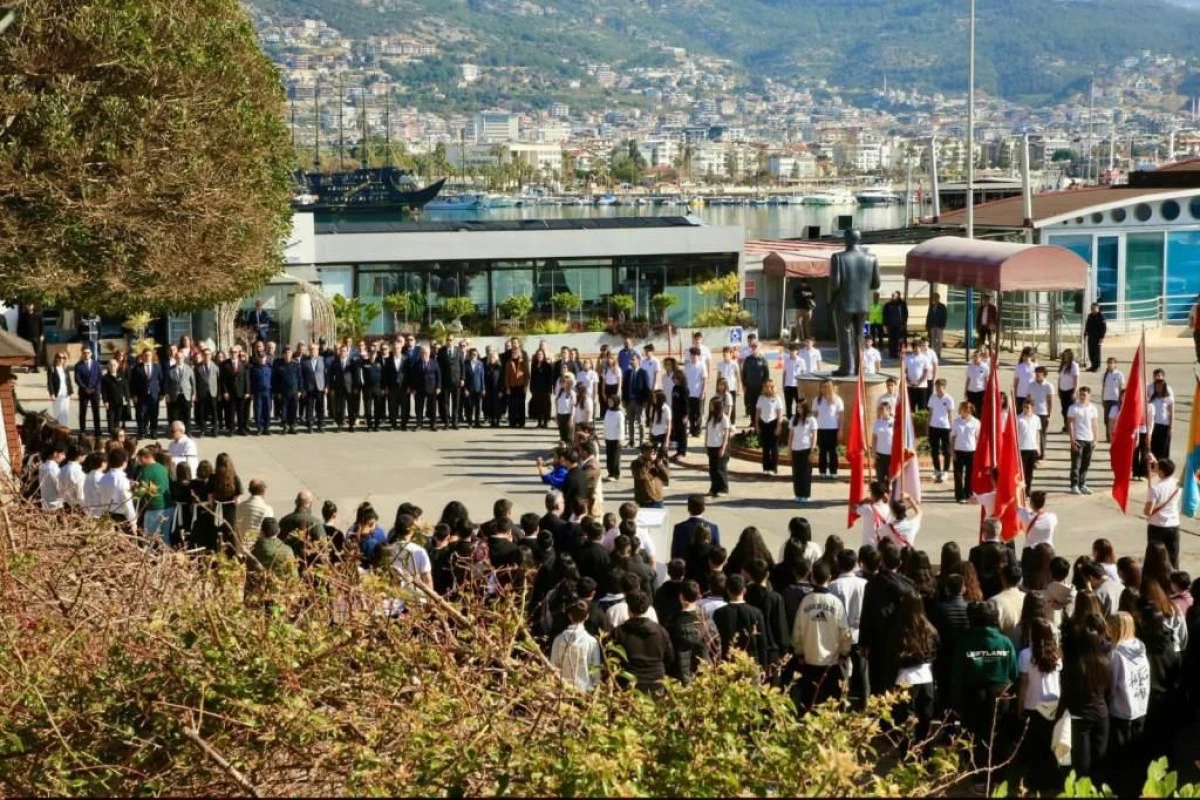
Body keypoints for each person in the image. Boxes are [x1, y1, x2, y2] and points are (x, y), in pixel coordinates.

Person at [951, 602, 1018, 780]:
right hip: (1001, 694)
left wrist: (956, 700)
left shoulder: (965, 642)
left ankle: (979, 778)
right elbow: (1014, 672)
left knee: (975, 736)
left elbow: (958, 673)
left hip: (973, 695)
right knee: (999, 734)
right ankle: (998, 776)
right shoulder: (1005, 642)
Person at [792, 559, 851, 711]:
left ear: (812, 577)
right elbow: (845, 632)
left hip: (810, 659)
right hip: (831, 661)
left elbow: (797, 631)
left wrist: (799, 652)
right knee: (830, 703)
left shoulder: (805, 602)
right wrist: (844, 653)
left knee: (811, 702)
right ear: (830, 577)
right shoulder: (836, 603)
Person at [1015, 615, 1062, 792]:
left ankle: (1035, 782)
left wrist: (1019, 706)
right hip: (1053, 702)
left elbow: (1024, 683)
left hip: (1034, 704)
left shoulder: (1026, 655)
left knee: (1036, 745)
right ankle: (1051, 780)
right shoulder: (1056, 654)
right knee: (1050, 744)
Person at [1107, 611, 1150, 797]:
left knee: (1121, 753)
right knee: (1137, 749)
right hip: (1140, 706)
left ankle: (1123, 788)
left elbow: (1113, 684)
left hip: (1121, 709)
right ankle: (1138, 784)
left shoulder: (1116, 654)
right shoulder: (1141, 649)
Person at [611, 591, 674, 693]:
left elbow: (613, 659)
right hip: (656, 681)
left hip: (629, 683)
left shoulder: (618, 632)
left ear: (628, 608)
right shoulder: (661, 631)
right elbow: (670, 657)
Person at [712, 574, 768, 666]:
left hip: (728, 661)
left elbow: (716, 641)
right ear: (744, 590)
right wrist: (764, 665)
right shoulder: (756, 612)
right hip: (751, 662)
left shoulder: (719, 613)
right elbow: (762, 642)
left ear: (728, 591)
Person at [550, 600, 603, 692]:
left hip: (562, 690)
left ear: (569, 616)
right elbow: (596, 672)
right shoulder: (591, 642)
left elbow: (553, 667)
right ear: (587, 616)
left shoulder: (558, 639)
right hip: (584, 689)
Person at [1144, 456, 1181, 568]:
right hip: (1173, 525)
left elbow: (1147, 512)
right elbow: (1162, 469)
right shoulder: (1178, 483)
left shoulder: (1156, 489)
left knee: (1155, 558)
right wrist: (1153, 460)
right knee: (1173, 557)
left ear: (1162, 472)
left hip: (1157, 526)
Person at [1067, 386, 1099, 495]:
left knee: (1086, 463)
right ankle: (1074, 485)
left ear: (1089, 395)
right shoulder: (1073, 408)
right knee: (1076, 463)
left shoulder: (1093, 408)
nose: (1082, 396)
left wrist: (1096, 439)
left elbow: (1094, 424)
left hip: (1089, 439)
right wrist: (1072, 440)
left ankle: (1082, 483)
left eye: (1085, 394)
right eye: (1081, 394)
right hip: (1078, 438)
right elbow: (1070, 424)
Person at [950, 401, 980, 504]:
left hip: (971, 451)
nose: (965, 411)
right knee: (958, 475)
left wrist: (977, 452)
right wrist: (952, 452)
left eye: (967, 409)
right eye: (963, 409)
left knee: (969, 474)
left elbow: (977, 438)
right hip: (959, 451)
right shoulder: (956, 422)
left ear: (970, 410)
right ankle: (959, 496)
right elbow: (953, 437)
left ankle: (968, 494)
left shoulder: (976, 422)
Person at [788, 398, 817, 504]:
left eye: (800, 406)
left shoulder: (811, 420)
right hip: (796, 448)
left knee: (806, 473)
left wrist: (812, 449)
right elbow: (791, 435)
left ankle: (806, 494)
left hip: (806, 448)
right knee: (797, 473)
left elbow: (814, 435)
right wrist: (789, 449)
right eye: (797, 406)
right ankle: (798, 494)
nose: (798, 408)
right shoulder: (793, 419)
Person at [925, 379, 954, 485]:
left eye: (939, 387)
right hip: (934, 426)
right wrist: (927, 427)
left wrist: (951, 429)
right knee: (934, 450)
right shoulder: (932, 397)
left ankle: (945, 471)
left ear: (944, 387)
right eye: (936, 387)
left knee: (946, 451)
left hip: (945, 427)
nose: (937, 389)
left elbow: (950, 415)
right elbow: (930, 413)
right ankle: (937, 470)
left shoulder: (949, 399)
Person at [129, 349, 162, 438]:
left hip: (154, 395)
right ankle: (141, 432)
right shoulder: (137, 368)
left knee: (154, 414)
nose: (147, 357)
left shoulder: (157, 366)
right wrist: (133, 395)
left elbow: (161, 380)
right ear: (142, 356)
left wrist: (162, 393)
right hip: (141, 395)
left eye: (149, 355)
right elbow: (132, 383)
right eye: (145, 355)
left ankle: (153, 431)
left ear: (152, 356)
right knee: (140, 414)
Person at [219, 347, 251, 436]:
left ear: (238, 353)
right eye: (232, 352)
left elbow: (246, 379)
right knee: (231, 412)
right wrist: (225, 392)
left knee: (241, 411)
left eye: (235, 352)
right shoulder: (225, 364)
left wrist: (247, 391)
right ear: (229, 353)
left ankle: (241, 429)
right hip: (230, 392)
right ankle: (231, 429)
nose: (233, 353)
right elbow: (222, 380)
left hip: (241, 392)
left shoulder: (244, 364)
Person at [814, 379, 843, 479]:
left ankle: (833, 471)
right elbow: (814, 415)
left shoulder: (837, 399)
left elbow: (841, 416)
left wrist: (840, 429)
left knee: (833, 452)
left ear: (830, 387)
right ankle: (822, 471)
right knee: (822, 451)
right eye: (822, 387)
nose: (824, 389)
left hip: (832, 429)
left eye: (826, 387)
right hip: (821, 429)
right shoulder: (817, 400)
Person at [704, 397, 732, 497]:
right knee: (712, 469)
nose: (710, 406)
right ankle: (714, 488)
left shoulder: (724, 418)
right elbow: (707, 431)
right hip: (711, 445)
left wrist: (723, 448)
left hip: (719, 446)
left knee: (720, 469)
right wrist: (706, 444)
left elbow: (726, 434)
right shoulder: (710, 417)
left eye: (712, 404)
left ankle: (723, 488)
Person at [755, 378, 784, 475]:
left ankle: (773, 468)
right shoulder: (761, 398)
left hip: (773, 423)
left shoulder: (777, 398)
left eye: (768, 387)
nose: (766, 389)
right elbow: (758, 412)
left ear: (772, 387)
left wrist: (779, 426)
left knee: (774, 448)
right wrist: (757, 425)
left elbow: (780, 413)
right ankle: (766, 468)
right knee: (765, 448)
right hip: (764, 423)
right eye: (765, 387)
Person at [740, 337, 769, 429]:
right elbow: (744, 373)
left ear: (759, 347)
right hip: (750, 386)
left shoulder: (763, 360)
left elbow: (766, 374)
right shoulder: (748, 360)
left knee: (760, 405)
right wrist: (744, 385)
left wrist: (765, 386)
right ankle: (753, 422)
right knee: (752, 405)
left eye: (755, 346)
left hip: (760, 387)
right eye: (752, 346)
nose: (754, 348)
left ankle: (760, 422)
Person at [234, 478, 274, 545]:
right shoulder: (267, 509)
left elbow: (236, 527)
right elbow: (270, 532)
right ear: (264, 490)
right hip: (259, 548)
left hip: (241, 546)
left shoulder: (240, 507)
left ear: (249, 490)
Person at [163, 350, 195, 431]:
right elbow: (166, 382)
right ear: (175, 358)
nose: (179, 359)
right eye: (177, 358)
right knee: (174, 415)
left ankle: (187, 432)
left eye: (180, 358)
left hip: (186, 395)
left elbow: (193, 382)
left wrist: (193, 394)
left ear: (183, 358)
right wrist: (166, 394)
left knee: (187, 415)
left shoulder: (189, 368)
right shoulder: (170, 369)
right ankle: (174, 432)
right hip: (174, 395)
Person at [630, 441, 669, 509]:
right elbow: (640, 476)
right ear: (642, 452)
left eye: (652, 451)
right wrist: (646, 463)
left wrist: (660, 464)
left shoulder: (658, 462)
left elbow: (666, 478)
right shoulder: (636, 463)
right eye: (647, 451)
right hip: (643, 500)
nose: (651, 453)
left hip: (658, 499)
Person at [74, 347, 102, 437]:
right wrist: (85, 388)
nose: (86, 354)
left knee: (96, 412)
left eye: (88, 352)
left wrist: (94, 388)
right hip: (83, 392)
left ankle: (97, 430)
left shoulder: (96, 364)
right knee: (83, 412)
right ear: (82, 354)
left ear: (91, 354)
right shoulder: (78, 365)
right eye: (84, 353)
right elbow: (77, 379)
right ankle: (82, 430)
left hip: (95, 392)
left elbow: (99, 377)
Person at [1027, 367, 1054, 460]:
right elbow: (1028, 397)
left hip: (1043, 412)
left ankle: (1042, 454)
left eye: (1040, 373)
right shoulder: (1031, 385)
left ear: (1044, 375)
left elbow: (1050, 401)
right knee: (1033, 433)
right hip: (1033, 413)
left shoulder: (1048, 386)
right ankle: (1034, 453)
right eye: (1036, 373)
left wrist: (1049, 415)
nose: (1037, 375)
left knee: (1042, 434)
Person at [1148, 369, 1174, 461]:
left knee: (1164, 449)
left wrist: (1171, 427)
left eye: (1159, 375)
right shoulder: (1150, 389)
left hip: (1164, 425)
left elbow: (1171, 412)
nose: (1157, 377)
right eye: (1155, 375)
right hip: (1153, 424)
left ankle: (1163, 469)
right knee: (1153, 448)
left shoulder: (1168, 392)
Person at [1016, 398, 1040, 492]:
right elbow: (1016, 433)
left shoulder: (1037, 419)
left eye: (1028, 407)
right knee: (1021, 471)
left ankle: (1027, 490)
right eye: (1025, 407)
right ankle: (1020, 490)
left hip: (1032, 447)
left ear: (1032, 408)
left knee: (1030, 472)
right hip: (1022, 448)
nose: (1027, 409)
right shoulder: (1018, 418)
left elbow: (1037, 433)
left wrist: (1038, 447)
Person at [1100, 356, 1124, 442]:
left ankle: (1115, 435)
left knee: (1114, 418)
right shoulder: (1104, 375)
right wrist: (1102, 398)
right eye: (1108, 362)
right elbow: (1103, 387)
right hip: (1107, 399)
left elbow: (1121, 388)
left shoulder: (1119, 374)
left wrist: (1121, 399)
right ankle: (1108, 436)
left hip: (1115, 399)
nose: (1110, 364)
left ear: (1115, 364)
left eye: (1112, 363)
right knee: (1107, 419)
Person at [1056, 349, 1080, 433]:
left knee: (1070, 410)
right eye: (1065, 355)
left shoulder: (1074, 365)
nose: (1066, 357)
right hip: (1063, 390)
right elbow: (1060, 378)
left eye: (1067, 355)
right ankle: (1066, 426)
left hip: (1070, 390)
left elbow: (1076, 380)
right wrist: (1058, 389)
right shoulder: (1063, 365)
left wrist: (1075, 391)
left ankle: (1071, 427)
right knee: (1064, 410)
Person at [903, 340, 931, 412]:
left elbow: (926, 371)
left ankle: (921, 423)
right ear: (913, 348)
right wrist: (909, 381)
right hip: (910, 386)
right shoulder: (908, 358)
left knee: (922, 408)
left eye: (918, 347)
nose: (916, 349)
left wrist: (919, 382)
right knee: (910, 408)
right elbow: (905, 371)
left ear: (920, 348)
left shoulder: (925, 358)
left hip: (921, 386)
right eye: (915, 347)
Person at [504, 349, 528, 428]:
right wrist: (507, 387)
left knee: (521, 405)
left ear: (519, 354)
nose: (514, 354)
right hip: (512, 386)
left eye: (516, 353)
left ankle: (521, 422)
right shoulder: (508, 362)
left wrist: (525, 386)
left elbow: (527, 375)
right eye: (513, 353)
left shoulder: (523, 362)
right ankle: (512, 422)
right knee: (512, 405)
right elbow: (506, 376)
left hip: (521, 386)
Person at [963, 349, 989, 416]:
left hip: (980, 392)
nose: (975, 358)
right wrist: (965, 391)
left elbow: (986, 380)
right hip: (971, 391)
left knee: (979, 410)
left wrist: (986, 393)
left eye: (977, 357)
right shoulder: (970, 367)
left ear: (981, 357)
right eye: (974, 356)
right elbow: (968, 379)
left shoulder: (985, 367)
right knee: (970, 410)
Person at [882, 291, 908, 359]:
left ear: (898, 296)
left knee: (898, 339)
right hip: (890, 325)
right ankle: (891, 353)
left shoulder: (902, 304)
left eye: (895, 296)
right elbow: (884, 315)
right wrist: (884, 325)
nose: (893, 297)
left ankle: (897, 352)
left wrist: (904, 323)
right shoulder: (888, 304)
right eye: (892, 295)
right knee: (891, 339)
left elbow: (905, 314)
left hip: (899, 325)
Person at [1084, 303, 1107, 372]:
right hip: (1091, 336)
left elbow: (1103, 329)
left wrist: (1102, 338)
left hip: (1097, 337)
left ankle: (1097, 366)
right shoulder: (1090, 316)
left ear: (1098, 308)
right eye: (1091, 308)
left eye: (1094, 308)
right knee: (1091, 351)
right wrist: (1085, 333)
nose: (1092, 309)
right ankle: (1093, 366)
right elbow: (1087, 325)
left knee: (1096, 352)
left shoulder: (1101, 317)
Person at [925, 292, 947, 356]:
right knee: (933, 339)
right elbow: (928, 316)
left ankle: (938, 352)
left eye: (935, 297)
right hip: (932, 325)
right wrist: (927, 325)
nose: (934, 299)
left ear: (938, 298)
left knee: (939, 340)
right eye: (933, 298)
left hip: (939, 325)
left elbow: (945, 316)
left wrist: (943, 325)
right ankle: (934, 352)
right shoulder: (931, 306)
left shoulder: (942, 306)